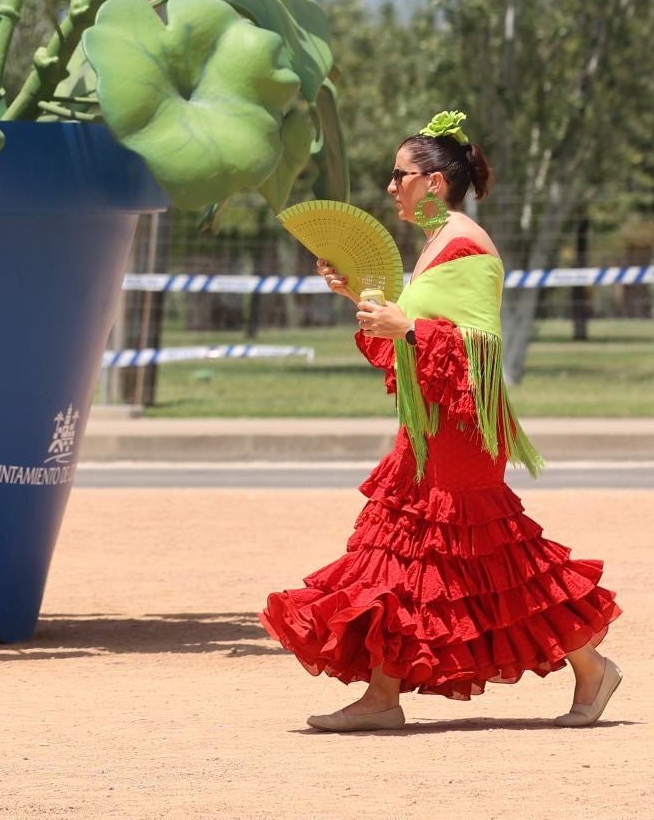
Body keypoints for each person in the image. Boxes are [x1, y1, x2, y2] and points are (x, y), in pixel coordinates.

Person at [259, 111, 622, 732]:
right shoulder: (437, 243)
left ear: (434, 182)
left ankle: (590, 665)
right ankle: (383, 695)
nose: (389, 187)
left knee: (486, 557)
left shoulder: (465, 243)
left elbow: (479, 345)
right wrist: (359, 298)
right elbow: (417, 325)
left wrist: (409, 327)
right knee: (405, 551)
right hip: (433, 424)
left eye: (399, 175)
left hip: (461, 428)